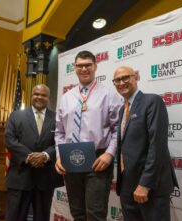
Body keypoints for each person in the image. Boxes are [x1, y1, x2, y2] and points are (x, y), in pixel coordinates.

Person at [55, 50, 122, 221]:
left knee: (95, 214)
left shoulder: (109, 94)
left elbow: (118, 128)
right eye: (80, 66)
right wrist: (58, 156)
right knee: (77, 214)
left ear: (95, 67)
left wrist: (110, 153)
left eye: (88, 65)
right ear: (75, 69)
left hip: (98, 159)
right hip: (70, 159)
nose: (84, 69)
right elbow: (60, 132)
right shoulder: (66, 97)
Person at [113, 66, 179, 221]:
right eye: (117, 80)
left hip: (150, 187)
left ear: (135, 77)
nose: (121, 82)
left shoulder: (152, 101)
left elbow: (157, 145)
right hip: (127, 187)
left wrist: (145, 184)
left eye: (125, 77)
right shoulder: (122, 110)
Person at [4, 84, 63, 221]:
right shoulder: (16, 115)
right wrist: (29, 157)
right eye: (36, 94)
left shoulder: (57, 118)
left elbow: (61, 141)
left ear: (48, 98)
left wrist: (45, 155)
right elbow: (9, 139)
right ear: (31, 96)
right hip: (19, 176)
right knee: (14, 217)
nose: (39, 97)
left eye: (43, 95)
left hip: (45, 178)